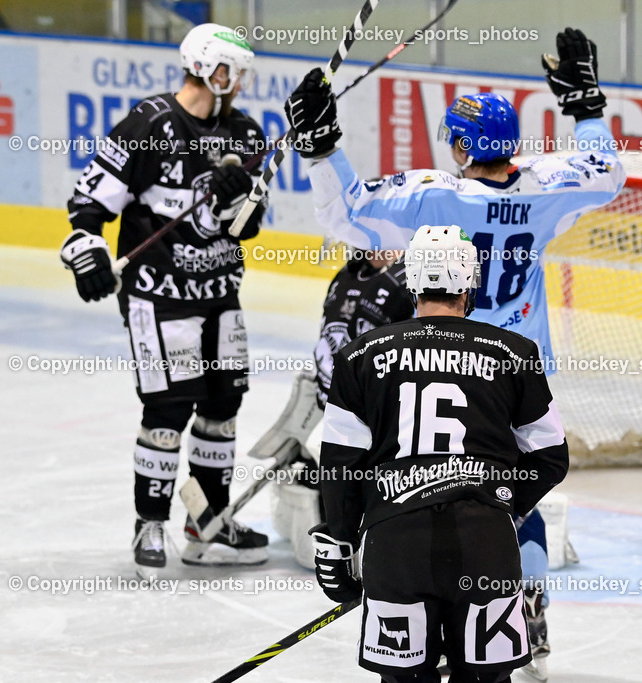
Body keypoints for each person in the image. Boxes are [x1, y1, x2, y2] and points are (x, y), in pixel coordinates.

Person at [284, 26, 620, 666]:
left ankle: (422, 611)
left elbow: (346, 215)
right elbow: (607, 171)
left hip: (444, 359)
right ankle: (529, 610)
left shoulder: (436, 198)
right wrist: (583, 108)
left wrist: (322, 148)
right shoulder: (549, 188)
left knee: (428, 486)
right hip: (520, 374)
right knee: (514, 490)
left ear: (464, 145)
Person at [311, 225, 569, 682]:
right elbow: (550, 456)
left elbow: (339, 465)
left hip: (397, 548)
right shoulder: (515, 353)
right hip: (484, 546)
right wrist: (502, 500)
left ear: (412, 283)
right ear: (470, 285)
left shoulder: (358, 356)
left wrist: (341, 541)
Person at [60, 23, 270, 574]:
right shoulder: (147, 125)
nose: (241, 82)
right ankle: (148, 522)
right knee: (168, 410)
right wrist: (85, 254)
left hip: (222, 294)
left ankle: (207, 522)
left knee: (224, 406)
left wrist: (236, 198)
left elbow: (248, 228)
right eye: (235, 71)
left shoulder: (245, 134)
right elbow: (87, 207)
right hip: (160, 298)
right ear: (207, 68)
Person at [249, 247, 414, 567]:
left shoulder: (407, 284)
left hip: (385, 424)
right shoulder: (346, 275)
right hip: (338, 413)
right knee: (318, 482)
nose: (371, 244)